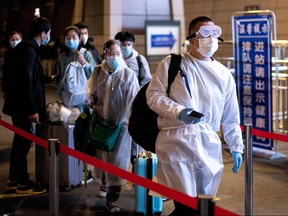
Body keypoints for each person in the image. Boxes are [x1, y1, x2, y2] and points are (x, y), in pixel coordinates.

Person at [146, 16, 244, 215]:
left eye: (214, 33)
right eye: (204, 34)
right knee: (186, 205)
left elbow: (231, 113)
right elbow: (153, 95)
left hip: (209, 145)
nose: (211, 39)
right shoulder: (174, 63)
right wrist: (179, 112)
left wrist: (236, 146)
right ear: (192, 40)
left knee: (204, 206)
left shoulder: (224, 74)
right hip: (177, 141)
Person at [87, 39, 139, 213]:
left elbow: (133, 101)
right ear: (104, 54)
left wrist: (130, 122)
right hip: (101, 124)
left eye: (118, 54)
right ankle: (104, 184)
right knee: (102, 159)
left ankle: (113, 200)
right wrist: (90, 99)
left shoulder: (128, 75)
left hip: (120, 127)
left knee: (118, 162)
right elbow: (91, 92)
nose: (115, 57)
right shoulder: (97, 72)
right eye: (111, 53)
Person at [2, 17, 52, 194]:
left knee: (19, 142)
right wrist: (32, 109)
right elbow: (26, 81)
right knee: (23, 143)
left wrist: (47, 78)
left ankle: (15, 178)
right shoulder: (29, 50)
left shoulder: (27, 48)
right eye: (49, 33)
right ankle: (23, 181)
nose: (49, 37)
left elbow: (32, 76)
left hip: (19, 105)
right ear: (42, 33)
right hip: (23, 107)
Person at [114, 31, 152, 169]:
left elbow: (147, 82)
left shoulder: (139, 60)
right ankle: (117, 179)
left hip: (136, 108)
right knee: (118, 145)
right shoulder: (113, 60)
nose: (125, 47)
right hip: (117, 108)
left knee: (137, 146)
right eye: (122, 45)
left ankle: (139, 177)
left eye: (128, 44)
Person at [56, 25, 96, 112]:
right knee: (68, 122)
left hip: (83, 98)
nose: (71, 40)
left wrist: (83, 62)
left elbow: (93, 75)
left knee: (82, 121)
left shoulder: (86, 55)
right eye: (68, 37)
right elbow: (60, 78)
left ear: (79, 39)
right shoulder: (62, 58)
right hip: (67, 98)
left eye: (74, 37)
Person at [2, 30, 22, 100]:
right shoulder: (8, 54)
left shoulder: (25, 54)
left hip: (21, 89)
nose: (15, 41)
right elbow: (5, 72)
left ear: (21, 40)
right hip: (9, 88)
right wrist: (4, 89)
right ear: (9, 40)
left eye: (17, 39)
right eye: (12, 39)